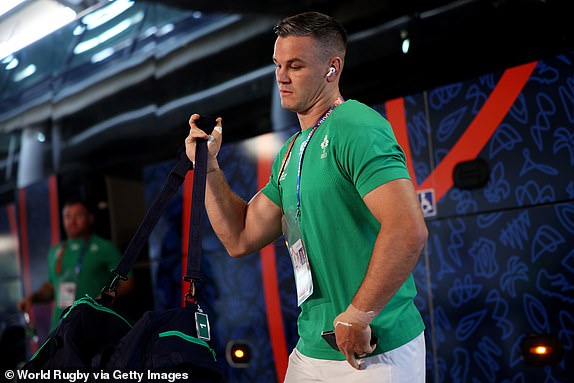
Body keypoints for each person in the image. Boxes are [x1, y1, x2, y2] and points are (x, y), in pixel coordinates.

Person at [185, 11, 428, 383]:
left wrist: (359, 313)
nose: (281, 77)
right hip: (311, 348)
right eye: (278, 65)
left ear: (332, 68)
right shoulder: (291, 152)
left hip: (373, 351)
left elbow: (408, 229)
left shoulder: (356, 125)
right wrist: (210, 168)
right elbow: (239, 236)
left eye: (295, 66)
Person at [18, 199, 134, 330]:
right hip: (59, 328)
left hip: (93, 326)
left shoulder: (105, 248)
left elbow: (128, 283)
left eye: (78, 216)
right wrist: (32, 298)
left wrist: (107, 297)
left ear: (90, 219)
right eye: (67, 216)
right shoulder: (55, 251)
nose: (72, 222)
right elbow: (51, 287)